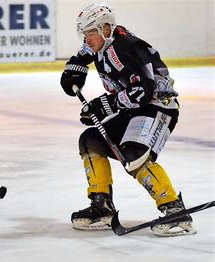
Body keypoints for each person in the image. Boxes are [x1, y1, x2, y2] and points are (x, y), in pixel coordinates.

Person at [60, 3, 195, 236]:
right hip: (134, 107)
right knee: (90, 140)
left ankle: (175, 210)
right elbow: (83, 55)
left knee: (133, 154)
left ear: (105, 28)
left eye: (90, 32)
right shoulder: (103, 39)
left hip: (157, 106)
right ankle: (102, 206)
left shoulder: (126, 48)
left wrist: (103, 106)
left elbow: (143, 91)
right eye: (84, 33)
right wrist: (74, 69)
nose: (87, 39)